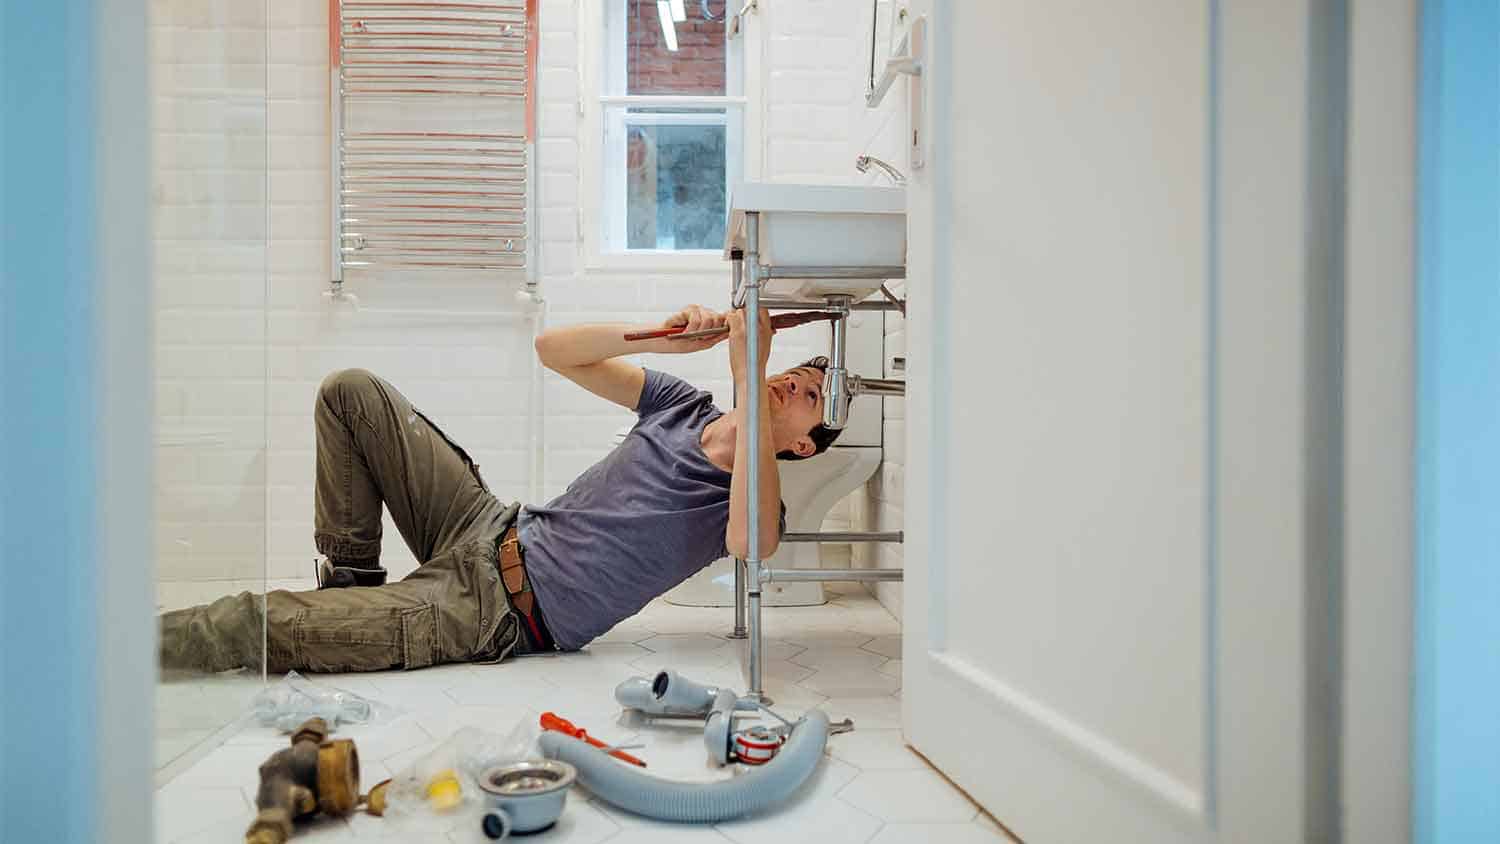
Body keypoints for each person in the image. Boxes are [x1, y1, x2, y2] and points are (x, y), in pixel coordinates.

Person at [158, 305, 841, 673]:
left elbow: (752, 543)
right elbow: (552, 349)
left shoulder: (757, 495)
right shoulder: (681, 404)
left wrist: (749, 378)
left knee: (249, 621)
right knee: (351, 392)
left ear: (803, 443)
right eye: (796, 374)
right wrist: (661, 339)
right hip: (482, 525)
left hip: (491, 612)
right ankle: (353, 589)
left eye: (810, 395)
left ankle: (112, 654)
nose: (793, 383)